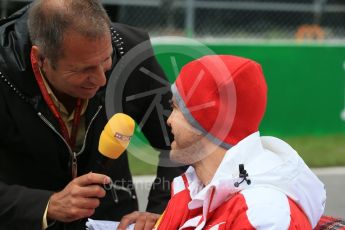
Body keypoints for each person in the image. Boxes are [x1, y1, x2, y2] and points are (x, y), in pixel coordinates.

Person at [0, 0, 185, 229]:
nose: (102, 80)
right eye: (84, 69)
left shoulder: (130, 51)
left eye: (106, 60)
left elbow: (183, 141)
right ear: (41, 59)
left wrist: (162, 211)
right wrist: (47, 205)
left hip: (114, 219)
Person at [153, 55, 326, 229]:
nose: (169, 120)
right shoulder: (194, 188)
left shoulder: (262, 213)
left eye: (175, 108)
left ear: (203, 121)